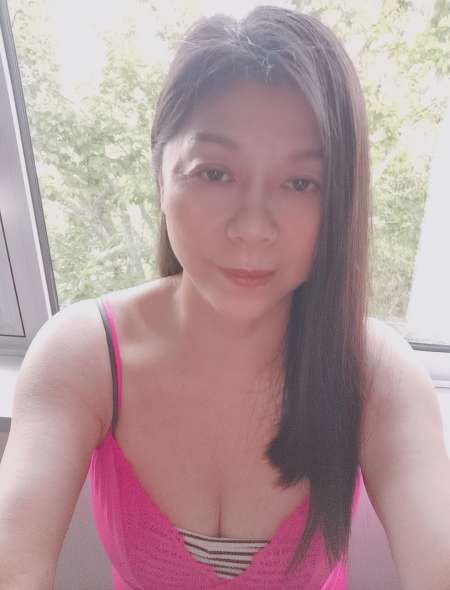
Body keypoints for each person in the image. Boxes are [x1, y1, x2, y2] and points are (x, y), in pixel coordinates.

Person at [1, 5, 449, 590]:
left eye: (300, 183)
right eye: (214, 173)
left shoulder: (375, 373)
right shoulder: (85, 354)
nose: (252, 228)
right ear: (161, 175)